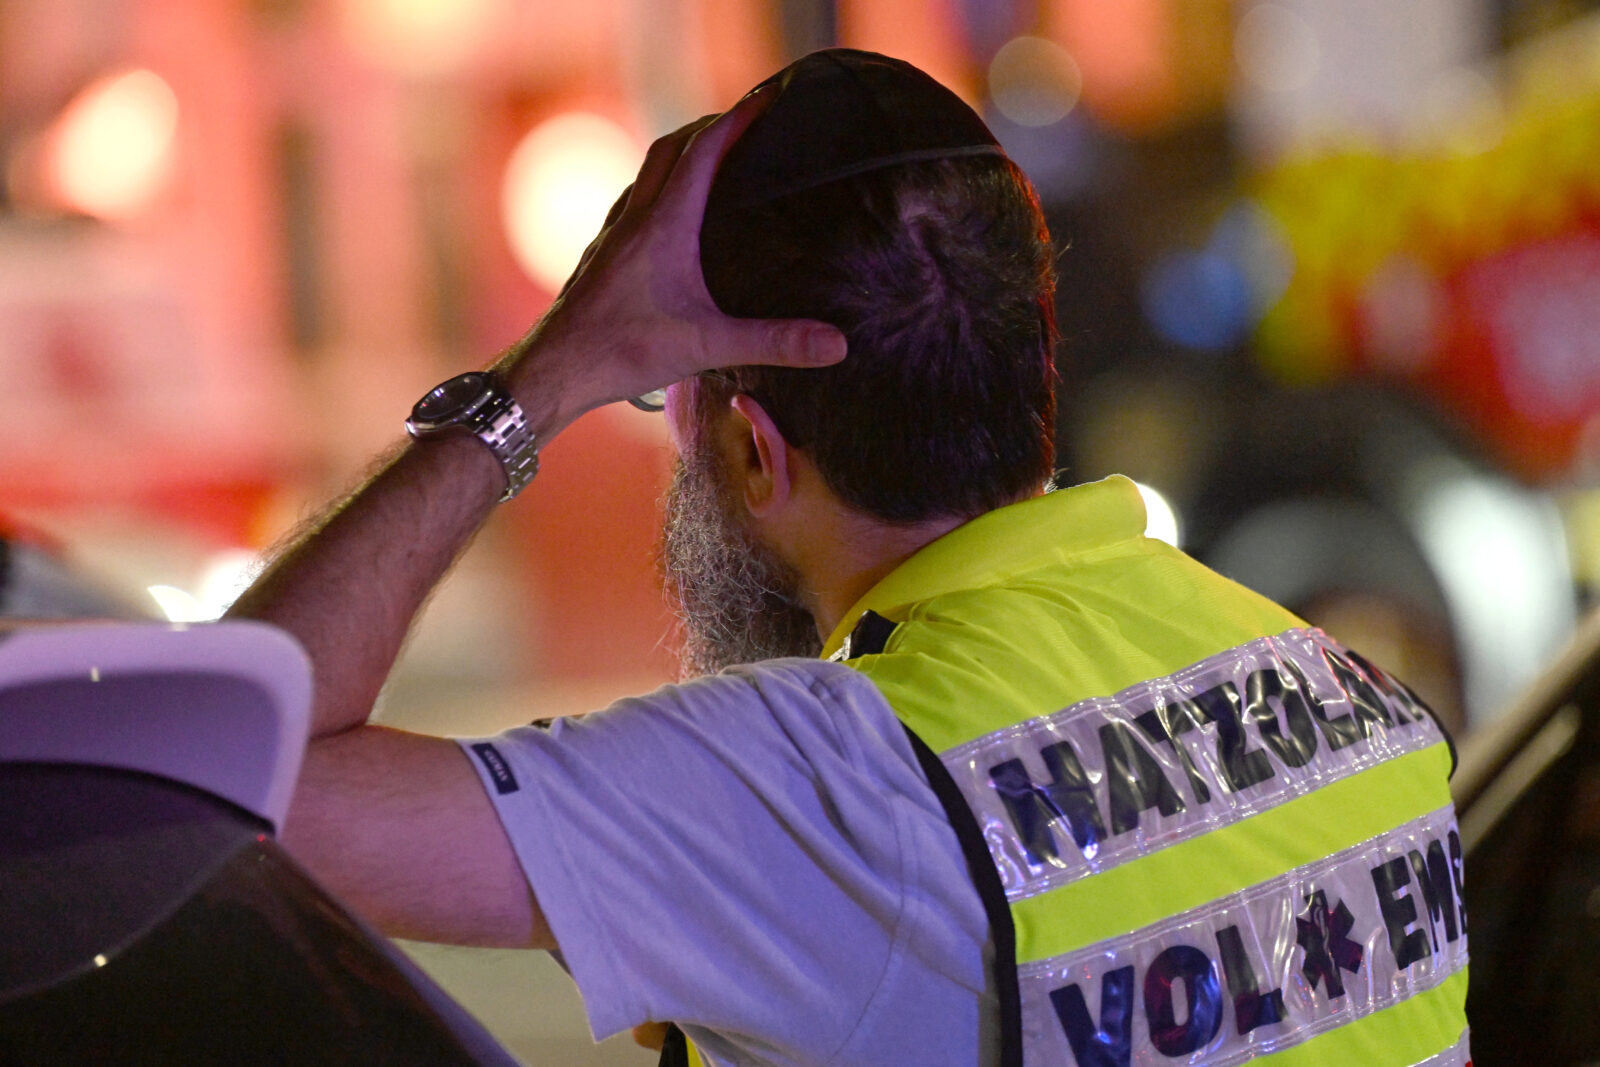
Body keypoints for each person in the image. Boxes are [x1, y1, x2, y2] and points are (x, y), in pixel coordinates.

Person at [228, 49, 1470, 1067]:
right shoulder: (1354, 700)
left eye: (671, 404)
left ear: (754, 451)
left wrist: (543, 377)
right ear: (1026, 369)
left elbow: (223, 787)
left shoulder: (819, 788)